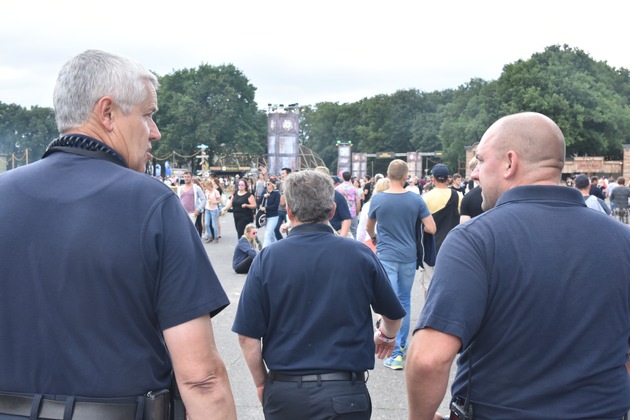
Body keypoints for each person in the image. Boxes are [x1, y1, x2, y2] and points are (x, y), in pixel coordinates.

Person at [0, 50, 235, 419]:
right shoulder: (151, 203)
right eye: (148, 114)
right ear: (107, 113)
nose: (155, 132)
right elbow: (201, 377)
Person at [406, 112, 630, 419]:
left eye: (481, 161)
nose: (474, 173)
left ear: (510, 163)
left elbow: (429, 359)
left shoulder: (475, 239)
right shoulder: (623, 239)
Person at [232, 170, 405, 419]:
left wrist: (261, 383)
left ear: (289, 211)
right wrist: (386, 336)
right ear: (333, 211)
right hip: (345, 393)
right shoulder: (360, 255)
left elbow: (247, 336)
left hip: (286, 392)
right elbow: (392, 313)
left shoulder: (267, 259)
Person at [366, 159, 436, 371]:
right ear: (406, 177)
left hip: (386, 254)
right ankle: (399, 349)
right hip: (408, 255)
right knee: (404, 300)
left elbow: (369, 228)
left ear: (388, 175)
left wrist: (376, 238)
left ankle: (391, 344)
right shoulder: (416, 200)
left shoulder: (378, 199)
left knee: (390, 300)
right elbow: (431, 228)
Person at [419, 163, 463, 296]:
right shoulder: (459, 196)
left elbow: (421, 223)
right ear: (448, 178)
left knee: (429, 283)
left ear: (433, 178)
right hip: (452, 245)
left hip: (430, 246)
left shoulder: (425, 198)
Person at [314, 166, 352, 237]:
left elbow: (346, 219)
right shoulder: (308, 196)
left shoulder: (337, 196)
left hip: (333, 234)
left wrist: (341, 237)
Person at [177, 171, 206, 237]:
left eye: (188, 177)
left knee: (192, 231)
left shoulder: (196, 188)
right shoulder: (180, 188)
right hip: (183, 213)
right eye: (185, 177)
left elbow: (204, 199)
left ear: (191, 178)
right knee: (184, 231)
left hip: (193, 213)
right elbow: (178, 200)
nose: (186, 178)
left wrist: (198, 209)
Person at [336, 171, 361, 238]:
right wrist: (357, 212)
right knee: (354, 232)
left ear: (342, 177)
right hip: (352, 212)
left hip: (341, 213)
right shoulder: (355, 189)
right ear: (350, 177)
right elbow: (358, 202)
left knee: (342, 232)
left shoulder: (338, 188)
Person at [260, 180, 280, 248]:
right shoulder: (265, 192)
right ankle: (278, 248)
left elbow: (275, 206)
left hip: (273, 216)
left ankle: (263, 251)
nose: (267, 186)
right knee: (271, 235)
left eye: (269, 184)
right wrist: (264, 196)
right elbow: (258, 202)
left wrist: (265, 208)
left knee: (268, 233)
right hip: (265, 216)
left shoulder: (276, 193)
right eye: (266, 184)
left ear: (272, 185)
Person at [273, 167, 291, 241]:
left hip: (288, 211)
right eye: (281, 174)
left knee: (288, 231)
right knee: (276, 229)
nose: (282, 175)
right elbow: (271, 184)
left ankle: (289, 245)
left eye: (283, 173)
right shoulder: (281, 184)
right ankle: (281, 242)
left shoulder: (291, 184)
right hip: (280, 210)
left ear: (288, 174)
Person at [204, 178, 222, 243]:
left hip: (214, 209)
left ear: (210, 185)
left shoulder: (216, 192)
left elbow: (220, 200)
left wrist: (214, 201)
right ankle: (210, 236)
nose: (206, 187)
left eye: (207, 186)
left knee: (214, 224)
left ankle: (216, 237)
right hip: (207, 208)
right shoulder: (206, 191)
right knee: (206, 223)